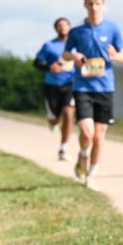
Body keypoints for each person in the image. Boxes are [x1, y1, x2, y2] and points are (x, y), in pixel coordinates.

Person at [63, 0, 123, 190]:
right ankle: (82, 154)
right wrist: (74, 56)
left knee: (99, 137)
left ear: (103, 5)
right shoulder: (77, 32)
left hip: (105, 87)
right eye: (90, 4)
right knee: (88, 133)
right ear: (84, 5)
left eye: (97, 4)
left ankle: (91, 176)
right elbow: (65, 54)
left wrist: (115, 56)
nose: (94, 7)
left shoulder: (112, 28)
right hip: (82, 87)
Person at [34, 17, 77, 161]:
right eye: (60, 25)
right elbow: (37, 62)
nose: (63, 27)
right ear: (56, 28)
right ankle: (53, 120)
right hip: (52, 85)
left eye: (66, 25)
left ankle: (63, 148)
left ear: (70, 27)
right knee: (55, 119)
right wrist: (49, 67)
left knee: (69, 114)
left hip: (70, 84)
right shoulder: (49, 45)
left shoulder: (76, 46)